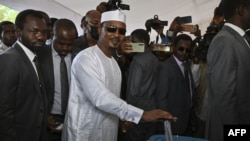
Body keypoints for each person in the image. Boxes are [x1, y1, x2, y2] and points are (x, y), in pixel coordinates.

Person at [62, 10, 177, 141]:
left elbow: (113, 99)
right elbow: (100, 98)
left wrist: (121, 118)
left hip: (109, 131)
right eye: (111, 29)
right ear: (100, 29)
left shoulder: (114, 63)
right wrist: (142, 114)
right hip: (84, 132)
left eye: (122, 31)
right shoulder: (85, 58)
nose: (116, 34)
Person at [0, 9, 48, 141]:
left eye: (44, 32)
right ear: (18, 31)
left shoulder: (34, 57)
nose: (41, 37)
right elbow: (4, 110)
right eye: (35, 31)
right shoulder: (9, 59)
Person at [206, 0, 250, 141]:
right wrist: (238, 133)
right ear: (242, 9)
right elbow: (225, 98)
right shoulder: (225, 41)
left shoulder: (240, 39)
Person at [37, 18, 79, 141]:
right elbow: (32, 91)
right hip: (48, 117)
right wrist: (45, 116)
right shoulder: (39, 55)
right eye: (61, 43)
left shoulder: (80, 56)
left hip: (74, 118)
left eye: (70, 44)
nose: (65, 48)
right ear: (52, 35)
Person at [123, 29, 160, 141]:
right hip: (153, 109)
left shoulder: (138, 60)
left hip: (138, 111)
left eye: (133, 41)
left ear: (142, 41)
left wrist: (128, 116)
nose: (131, 44)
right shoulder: (155, 59)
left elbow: (133, 92)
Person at [156, 34, 196, 136]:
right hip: (173, 123)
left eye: (187, 50)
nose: (184, 53)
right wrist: (167, 122)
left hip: (187, 122)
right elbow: (161, 99)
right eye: (181, 49)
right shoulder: (166, 67)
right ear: (173, 47)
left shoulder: (186, 65)